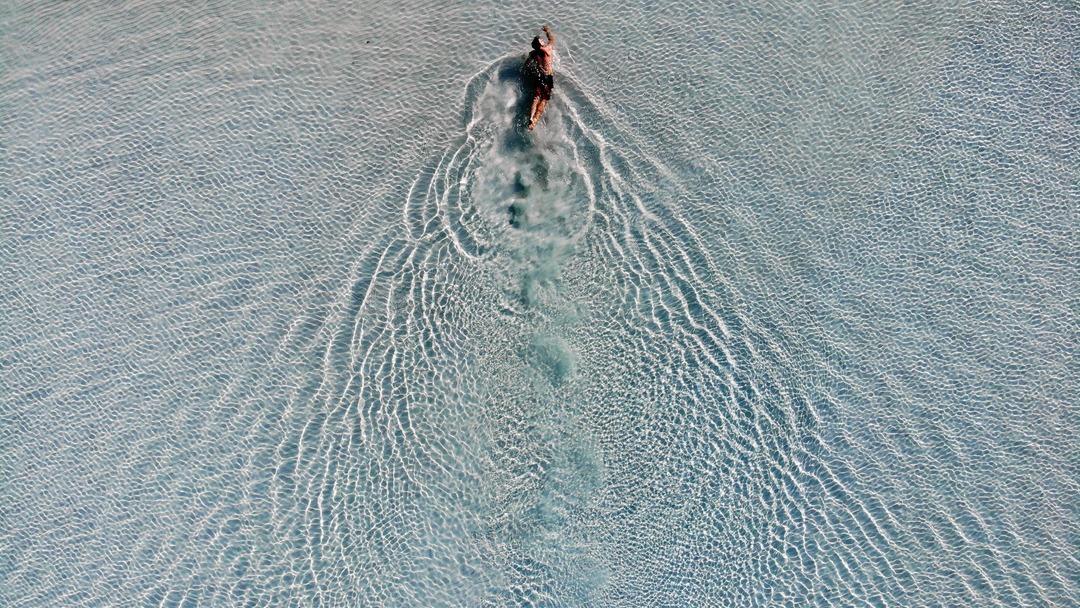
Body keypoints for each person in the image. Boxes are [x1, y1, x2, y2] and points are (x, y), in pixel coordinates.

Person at [525, 25, 556, 130]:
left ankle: (531, 116)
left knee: (536, 97)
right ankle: (534, 121)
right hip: (547, 77)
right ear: (540, 44)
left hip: (539, 76)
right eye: (541, 40)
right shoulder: (548, 49)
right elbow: (552, 40)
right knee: (544, 99)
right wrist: (547, 31)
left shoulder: (534, 53)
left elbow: (527, 64)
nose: (543, 40)